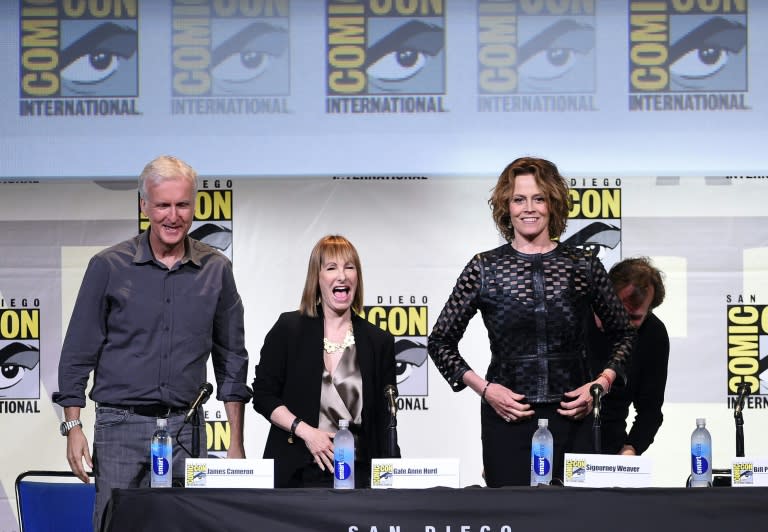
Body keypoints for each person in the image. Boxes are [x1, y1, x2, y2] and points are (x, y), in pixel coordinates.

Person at [52, 155, 251, 529]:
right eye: (162, 205)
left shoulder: (216, 270)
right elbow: (78, 351)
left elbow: (232, 360)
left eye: (182, 204)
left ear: (194, 205)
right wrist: (72, 428)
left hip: (187, 431)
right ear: (145, 205)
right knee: (117, 525)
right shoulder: (108, 266)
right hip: (119, 427)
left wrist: (235, 442)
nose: (172, 216)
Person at [427, 157, 636, 487]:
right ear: (506, 207)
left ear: (553, 204)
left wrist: (600, 385)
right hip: (507, 416)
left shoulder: (583, 265)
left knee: (576, 522)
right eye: (518, 199)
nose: (529, 208)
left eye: (538, 198)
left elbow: (624, 334)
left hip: (575, 415)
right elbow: (439, 341)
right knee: (510, 518)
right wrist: (486, 390)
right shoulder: (485, 268)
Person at [252, 235, 399, 488]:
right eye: (332, 268)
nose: (342, 276)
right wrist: (307, 433)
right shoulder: (288, 329)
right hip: (295, 475)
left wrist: (394, 482)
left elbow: (386, 422)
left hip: (358, 478)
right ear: (317, 278)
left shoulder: (379, 341)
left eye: (349, 267)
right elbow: (264, 396)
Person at [588, 257, 669, 455]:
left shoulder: (653, 334)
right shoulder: (575, 314)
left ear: (648, 312)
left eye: (633, 318)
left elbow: (650, 409)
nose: (621, 322)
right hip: (557, 439)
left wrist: (631, 448)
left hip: (611, 445)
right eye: (615, 311)